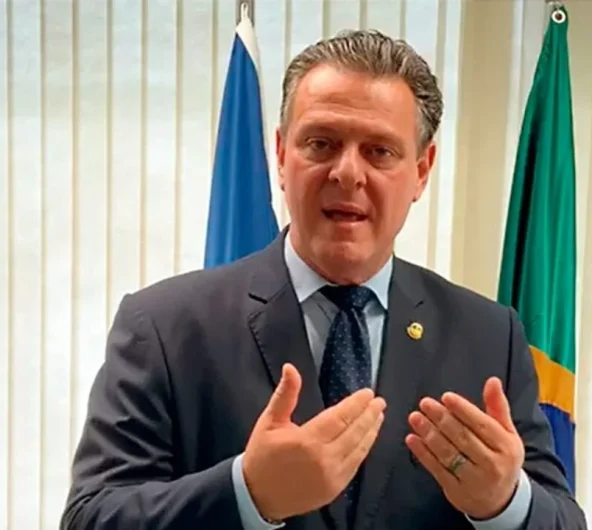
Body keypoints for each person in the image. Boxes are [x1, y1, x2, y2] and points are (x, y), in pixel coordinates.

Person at [59, 30, 587, 530]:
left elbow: (564, 517)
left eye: (379, 151)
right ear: (281, 155)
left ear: (422, 171)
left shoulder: (490, 336)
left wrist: (505, 503)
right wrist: (247, 493)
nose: (347, 173)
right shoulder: (165, 327)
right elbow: (91, 517)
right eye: (321, 143)